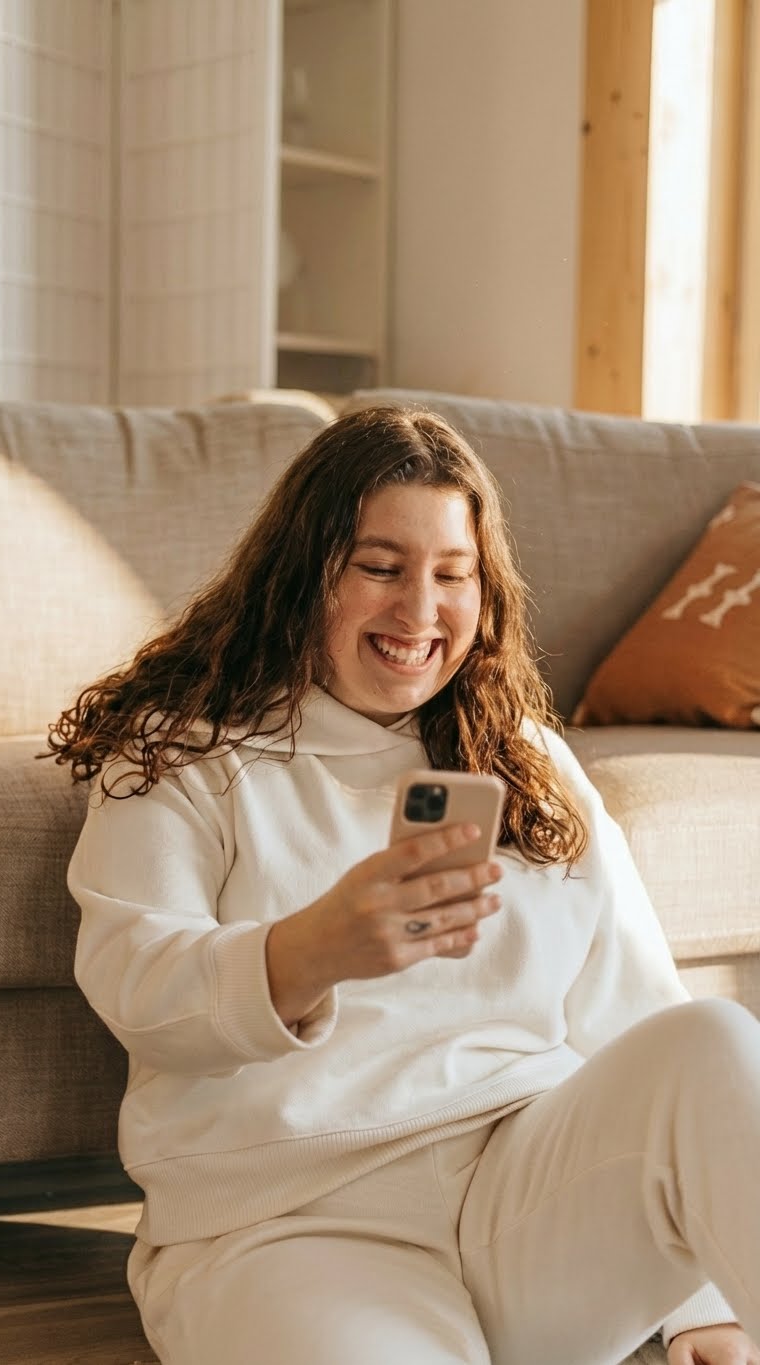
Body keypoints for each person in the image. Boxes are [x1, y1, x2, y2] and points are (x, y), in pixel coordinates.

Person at [50, 406, 760, 1365]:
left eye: (452, 574)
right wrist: (317, 948)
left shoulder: (528, 762)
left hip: (526, 1198)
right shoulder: (185, 754)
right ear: (304, 573)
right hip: (293, 1224)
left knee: (714, 1038)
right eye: (380, 568)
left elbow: (635, 1009)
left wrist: (706, 1304)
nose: (420, 612)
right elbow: (137, 981)